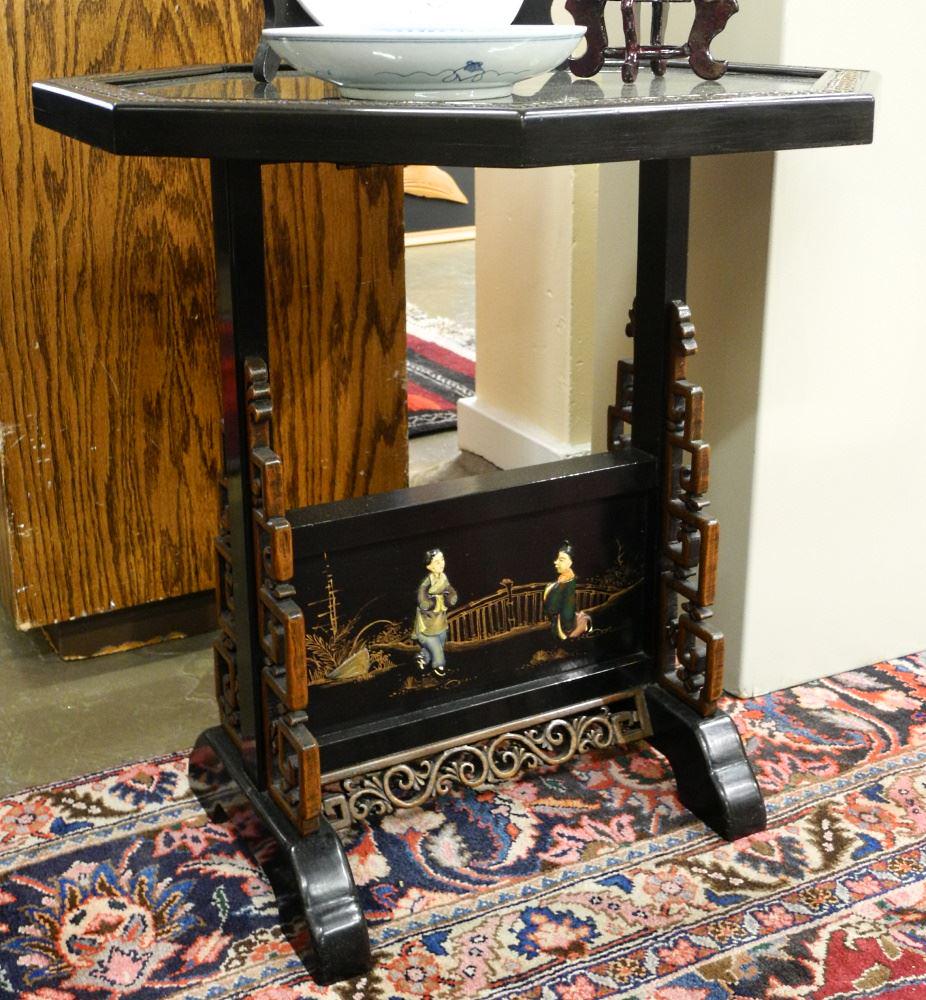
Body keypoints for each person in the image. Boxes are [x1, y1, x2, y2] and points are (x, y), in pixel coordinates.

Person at [413, 548, 458, 677]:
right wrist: (429, 603)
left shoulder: (443, 578)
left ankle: (423, 657)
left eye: (442, 560)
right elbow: (422, 599)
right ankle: (439, 666)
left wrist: (451, 598)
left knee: (441, 640)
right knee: (437, 649)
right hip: (427, 624)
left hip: (440, 622)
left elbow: (450, 590)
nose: (442, 563)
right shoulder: (427, 582)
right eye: (437, 562)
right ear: (429, 566)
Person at [543, 541, 591, 640]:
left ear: (571, 563)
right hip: (566, 621)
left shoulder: (564, 583)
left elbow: (552, 608)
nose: (555, 562)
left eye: (561, 559)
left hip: (564, 625)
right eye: (557, 559)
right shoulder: (565, 580)